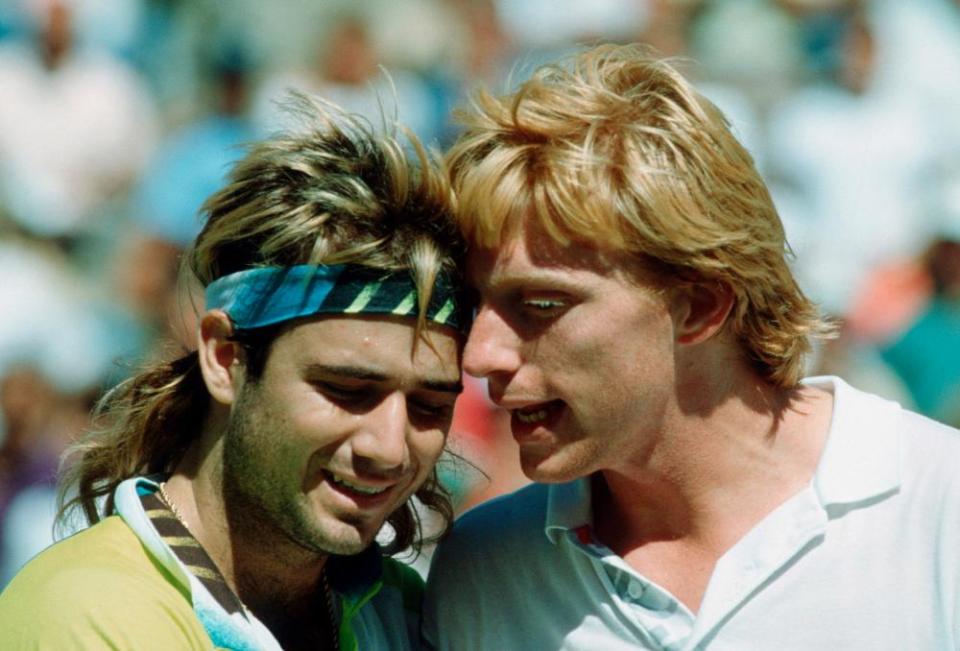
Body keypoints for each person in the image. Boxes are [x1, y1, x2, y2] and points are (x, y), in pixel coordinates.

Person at [423, 44, 960, 649]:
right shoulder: (483, 571)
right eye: (475, 305)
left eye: (542, 305)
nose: (479, 356)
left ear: (700, 306)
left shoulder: (942, 509)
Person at [0, 96, 469, 650]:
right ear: (225, 357)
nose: (391, 450)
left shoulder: (404, 610)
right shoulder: (84, 617)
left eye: (430, 406)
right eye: (346, 390)